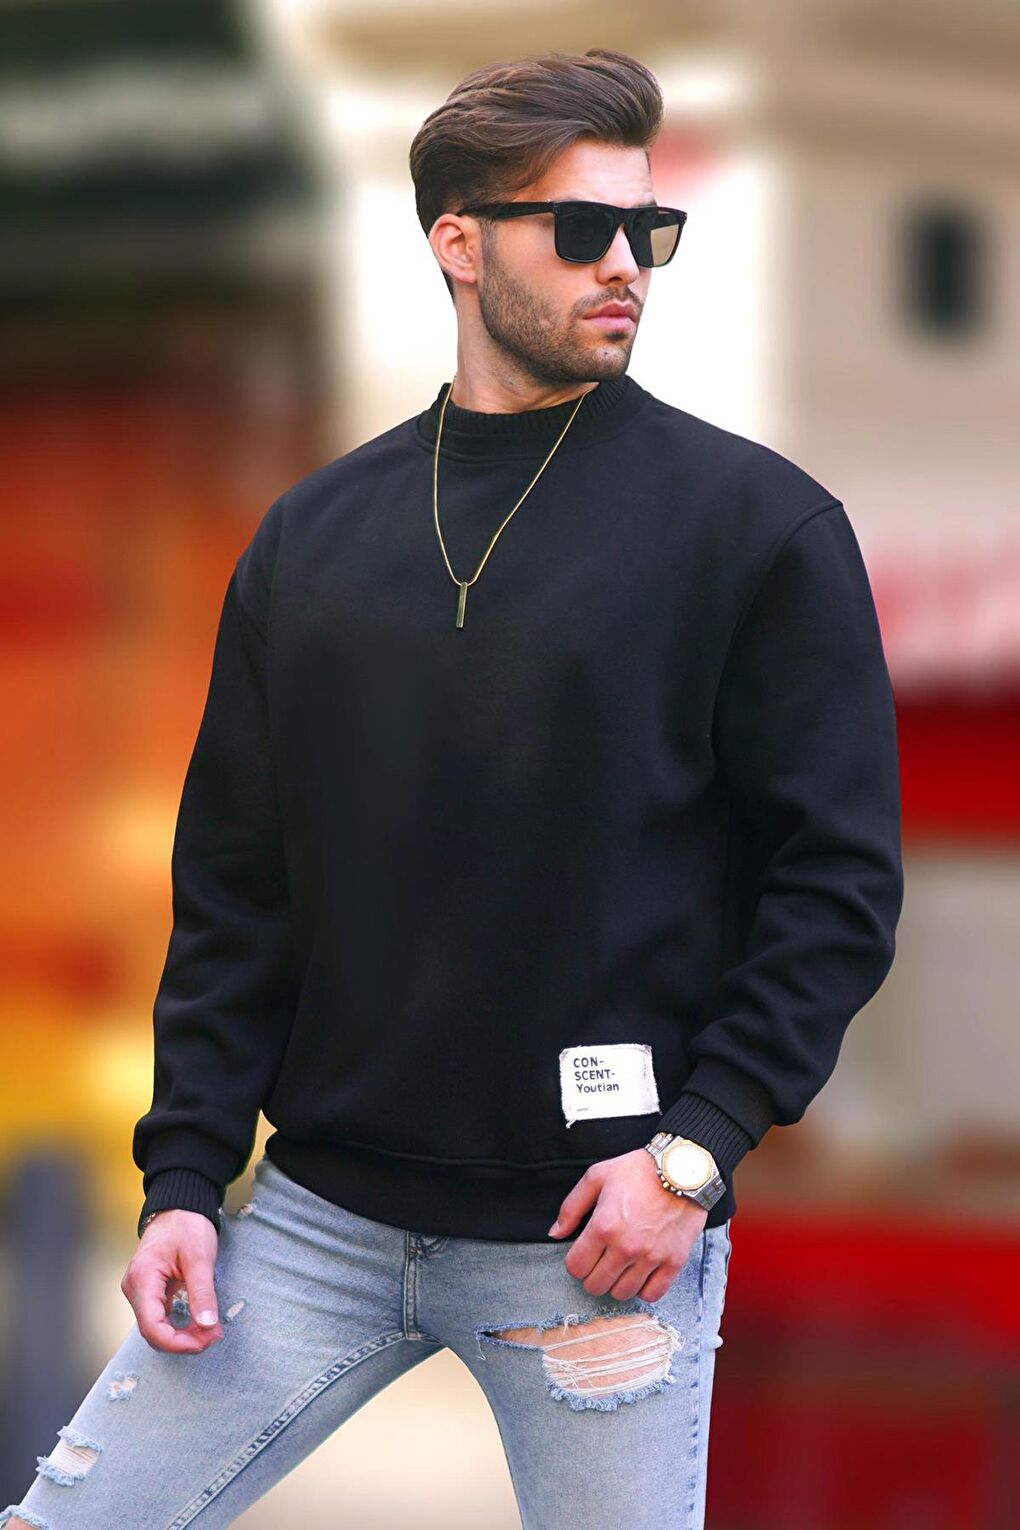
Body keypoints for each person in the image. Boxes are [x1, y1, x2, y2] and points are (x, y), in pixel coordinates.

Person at [1, 46, 903, 1530]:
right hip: (317, 1224)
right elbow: (238, 892)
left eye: (649, 230)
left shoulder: (758, 529)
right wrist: (184, 1178)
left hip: (596, 1237)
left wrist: (693, 1156)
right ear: (459, 243)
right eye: (583, 229)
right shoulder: (309, 540)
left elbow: (838, 884)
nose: (627, 265)